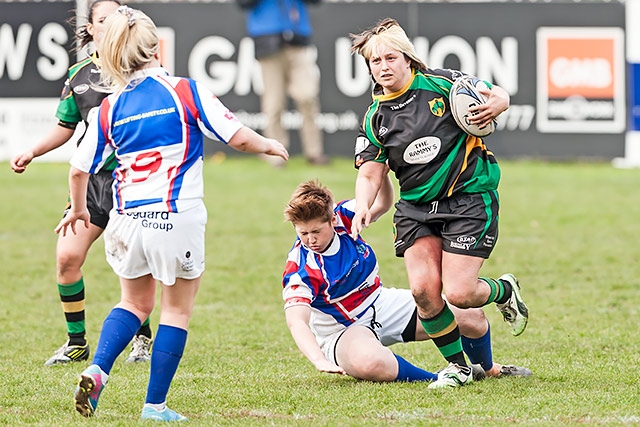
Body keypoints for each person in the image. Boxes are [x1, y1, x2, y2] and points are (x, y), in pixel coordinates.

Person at [54, 6, 288, 421]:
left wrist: (76, 209)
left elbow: (78, 169)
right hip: (174, 217)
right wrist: (270, 144)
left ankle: (97, 369)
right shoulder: (184, 90)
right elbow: (237, 136)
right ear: (156, 47)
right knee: (175, 310)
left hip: (125, 220)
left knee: (133, 303)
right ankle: (154, 406)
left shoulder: (109, 107)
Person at [348, 18, 529, 384]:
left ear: (408, 58)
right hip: (416, 210)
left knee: (460, 294)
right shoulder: (375, 118)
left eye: (390, 58)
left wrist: (499, 103)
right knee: (423, 292)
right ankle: (460, 367)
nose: (384, 67)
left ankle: (503, 289)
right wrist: (364, 204)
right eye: (375, 62)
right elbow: (370, 173)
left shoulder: (444, 84)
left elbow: (498, 94)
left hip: (468, 198)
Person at [10, 0, 154, 366]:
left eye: (118, 17)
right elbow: (65, 127)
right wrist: (32, 151)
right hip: (90, 184)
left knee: (133, 262)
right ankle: (76, 343)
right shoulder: (79, 75)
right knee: (67, 258)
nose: (110, 24)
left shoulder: (145, 72)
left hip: (133, 180)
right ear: (90, 28)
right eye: (102, 19)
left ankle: (142, 339)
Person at [282, 178, 532, 388]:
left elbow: (382, 203)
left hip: (379, 301)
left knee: (472, 318)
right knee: (371, 363)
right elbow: (297, 321)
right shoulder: (301, 269)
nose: (310, 239)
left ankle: (486, 369)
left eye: (316, 232)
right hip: (342, 330)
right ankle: (441, 377)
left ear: (331, 220)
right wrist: (319, 360)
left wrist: (383, 171)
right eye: (302, 233)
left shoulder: (344, 216)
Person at [238, 0, 329, 167]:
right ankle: (275, 155)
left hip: (298, 39)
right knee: (274, 103)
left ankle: (314, 152)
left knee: (307, 96)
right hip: (267, 40)